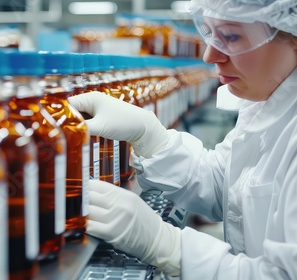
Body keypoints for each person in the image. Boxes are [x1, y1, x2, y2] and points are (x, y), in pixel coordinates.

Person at [68, 0, 297, 278]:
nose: (210, 55)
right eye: (211, 34)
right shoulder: (267, 103)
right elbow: (226, 185)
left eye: (232, 36)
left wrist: (169, 247)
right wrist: (152, 138)